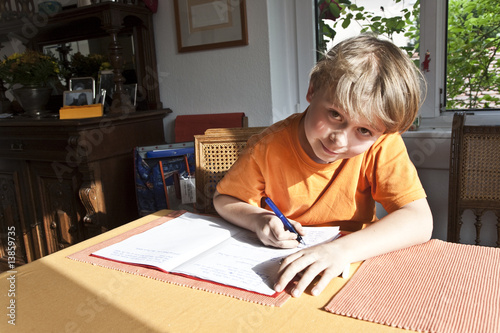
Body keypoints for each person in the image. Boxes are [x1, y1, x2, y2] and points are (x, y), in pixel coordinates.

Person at [213, 34, 433, 298]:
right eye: (335, 114)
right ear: (313, 89)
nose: (339, 139)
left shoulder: (382, 144)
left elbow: (420, 220)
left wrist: (341, 251)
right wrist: (258, 219)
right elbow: (224, 198)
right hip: (284, 265)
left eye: (363, 130)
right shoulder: (266, 148)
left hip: (354, 260)